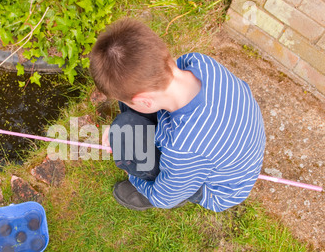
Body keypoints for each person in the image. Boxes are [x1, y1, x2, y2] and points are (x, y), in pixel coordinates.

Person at [89, 17, 266, 212]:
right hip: (230, 136)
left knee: (127, 137)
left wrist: (130, 169)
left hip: (216, 188)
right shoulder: (200, 62)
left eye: (125, 101)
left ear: (145, 101)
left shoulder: (184, 149)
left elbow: (163, 198)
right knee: (125, 126)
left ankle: (170, 189)